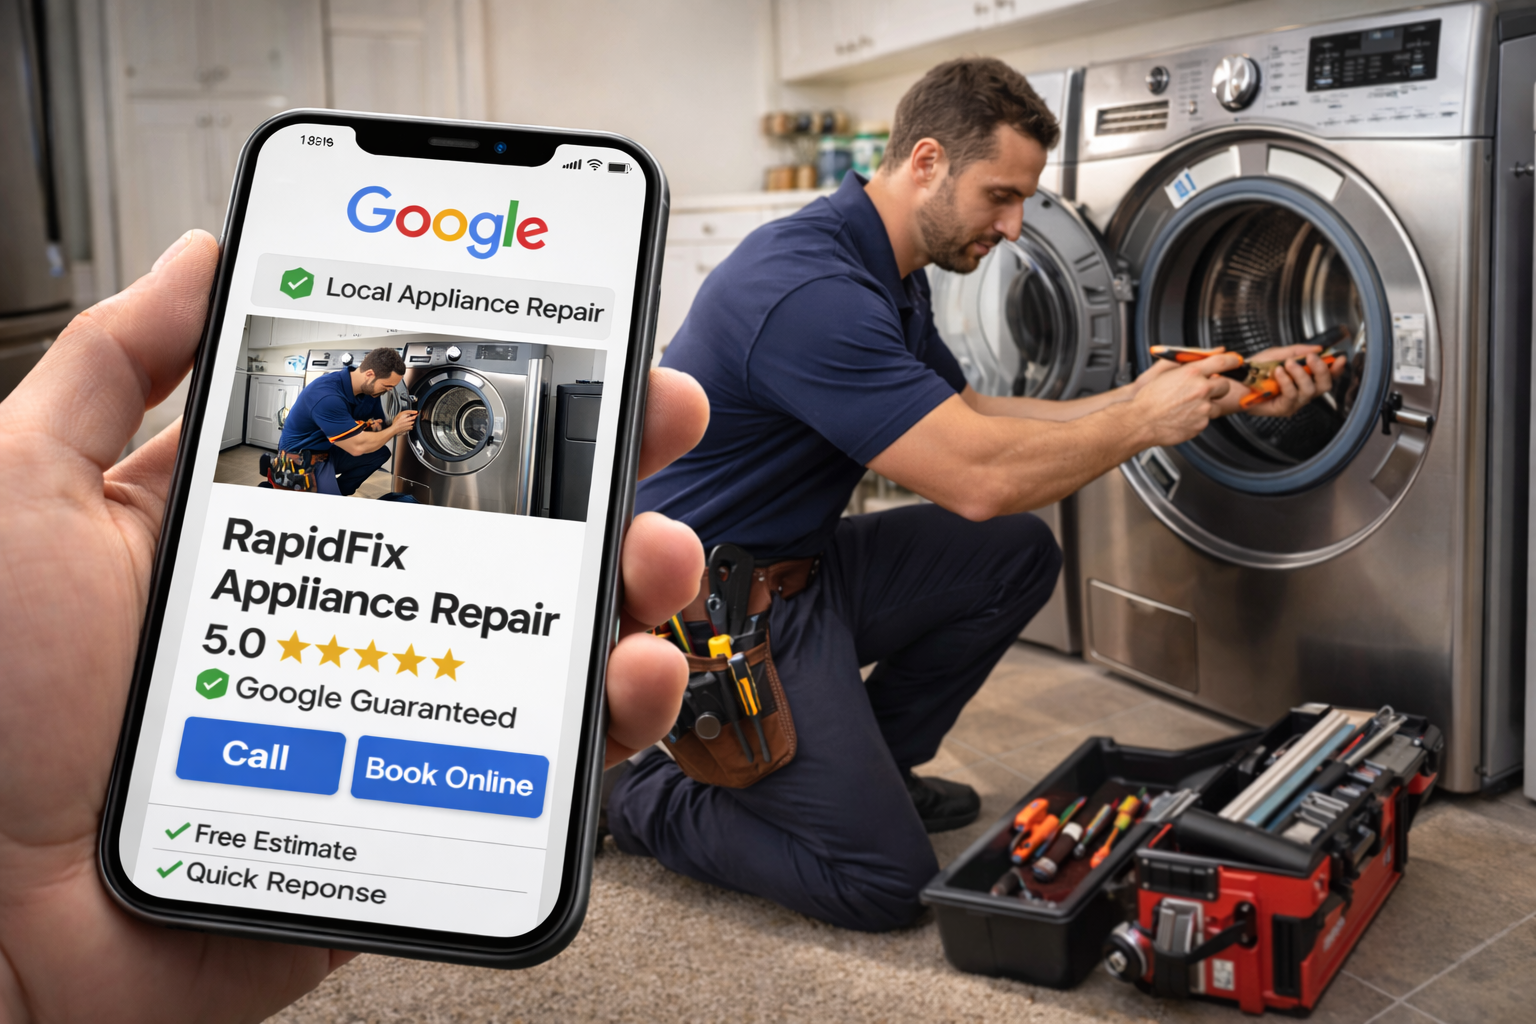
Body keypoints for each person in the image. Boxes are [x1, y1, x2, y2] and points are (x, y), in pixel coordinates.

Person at [608, 58, 1339, 932]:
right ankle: (639, 794)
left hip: (799, 567)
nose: (1015, 224)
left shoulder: (889, 267)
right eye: (1000, 195)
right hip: (715, 613)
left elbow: (973, 414)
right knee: (881, 881)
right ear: (927, 162)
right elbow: (979, 479)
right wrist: (1142, 422)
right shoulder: (810, 290)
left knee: (1013, 557)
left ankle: (877, 767)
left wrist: (1185, 392)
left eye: (1024, 199)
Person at [0, 229, 708, 1023]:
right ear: (371, 373)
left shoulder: (372, 387)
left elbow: (384, 433)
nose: (391, 394)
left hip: (336, 464)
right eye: (389, 385)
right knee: (337, 521)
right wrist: (401, 433)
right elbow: (362, 437)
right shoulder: (335, 393)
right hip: (292, 472)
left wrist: (401, 434)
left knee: (380, 486)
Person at [272, 346, 417, 495]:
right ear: (369, 374)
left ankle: (340, 491)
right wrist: (395, 428)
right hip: (299, 458)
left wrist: (377, 427)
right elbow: (357, 447)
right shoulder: (327, 396)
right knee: (321, 507)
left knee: (379, 453)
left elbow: (370, 427)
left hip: (328, 448)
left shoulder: (369, 392)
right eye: (387, 386)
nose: (389, 390)